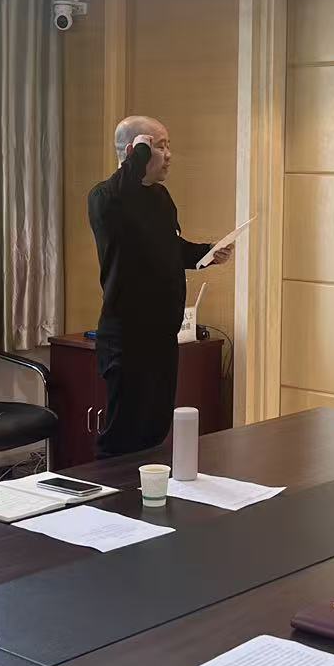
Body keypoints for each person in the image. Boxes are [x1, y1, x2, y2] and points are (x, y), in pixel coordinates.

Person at [87, 116, 231, 457]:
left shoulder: (161, 197)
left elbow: (171, 247)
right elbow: (122, 193)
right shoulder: (105, 197)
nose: (169, 155)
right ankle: (110, 491)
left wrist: (207, 254)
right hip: (127, 337)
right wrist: (138, 154)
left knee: (154, 429)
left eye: (169, 146)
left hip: (162, 335)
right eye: (159, 146)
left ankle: (148, 490)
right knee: (123, 434)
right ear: (133, 151)